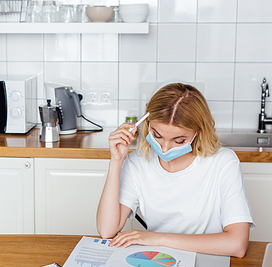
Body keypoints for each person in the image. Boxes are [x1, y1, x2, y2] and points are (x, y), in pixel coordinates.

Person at [97, 83, 254, 258]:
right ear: (147, 124)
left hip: (208, 261)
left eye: (178, 141)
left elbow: (237, 245)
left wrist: (157, 238)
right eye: (157, 135)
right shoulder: (137, 163)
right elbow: (106, 230)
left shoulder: (223, 163)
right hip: (157, 261)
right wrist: (116, 161)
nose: (164, 148)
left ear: (198, 133)